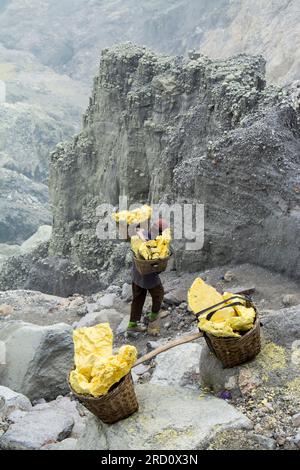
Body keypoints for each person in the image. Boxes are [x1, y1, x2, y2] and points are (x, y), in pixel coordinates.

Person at [127, 218, 169, 335]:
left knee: (138, 299)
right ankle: (153, 317)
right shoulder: (154, 242)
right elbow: (156, 262)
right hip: (148, 276)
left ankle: (132, 325)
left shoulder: (144, 234)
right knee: (158, 293)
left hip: (136, 274)